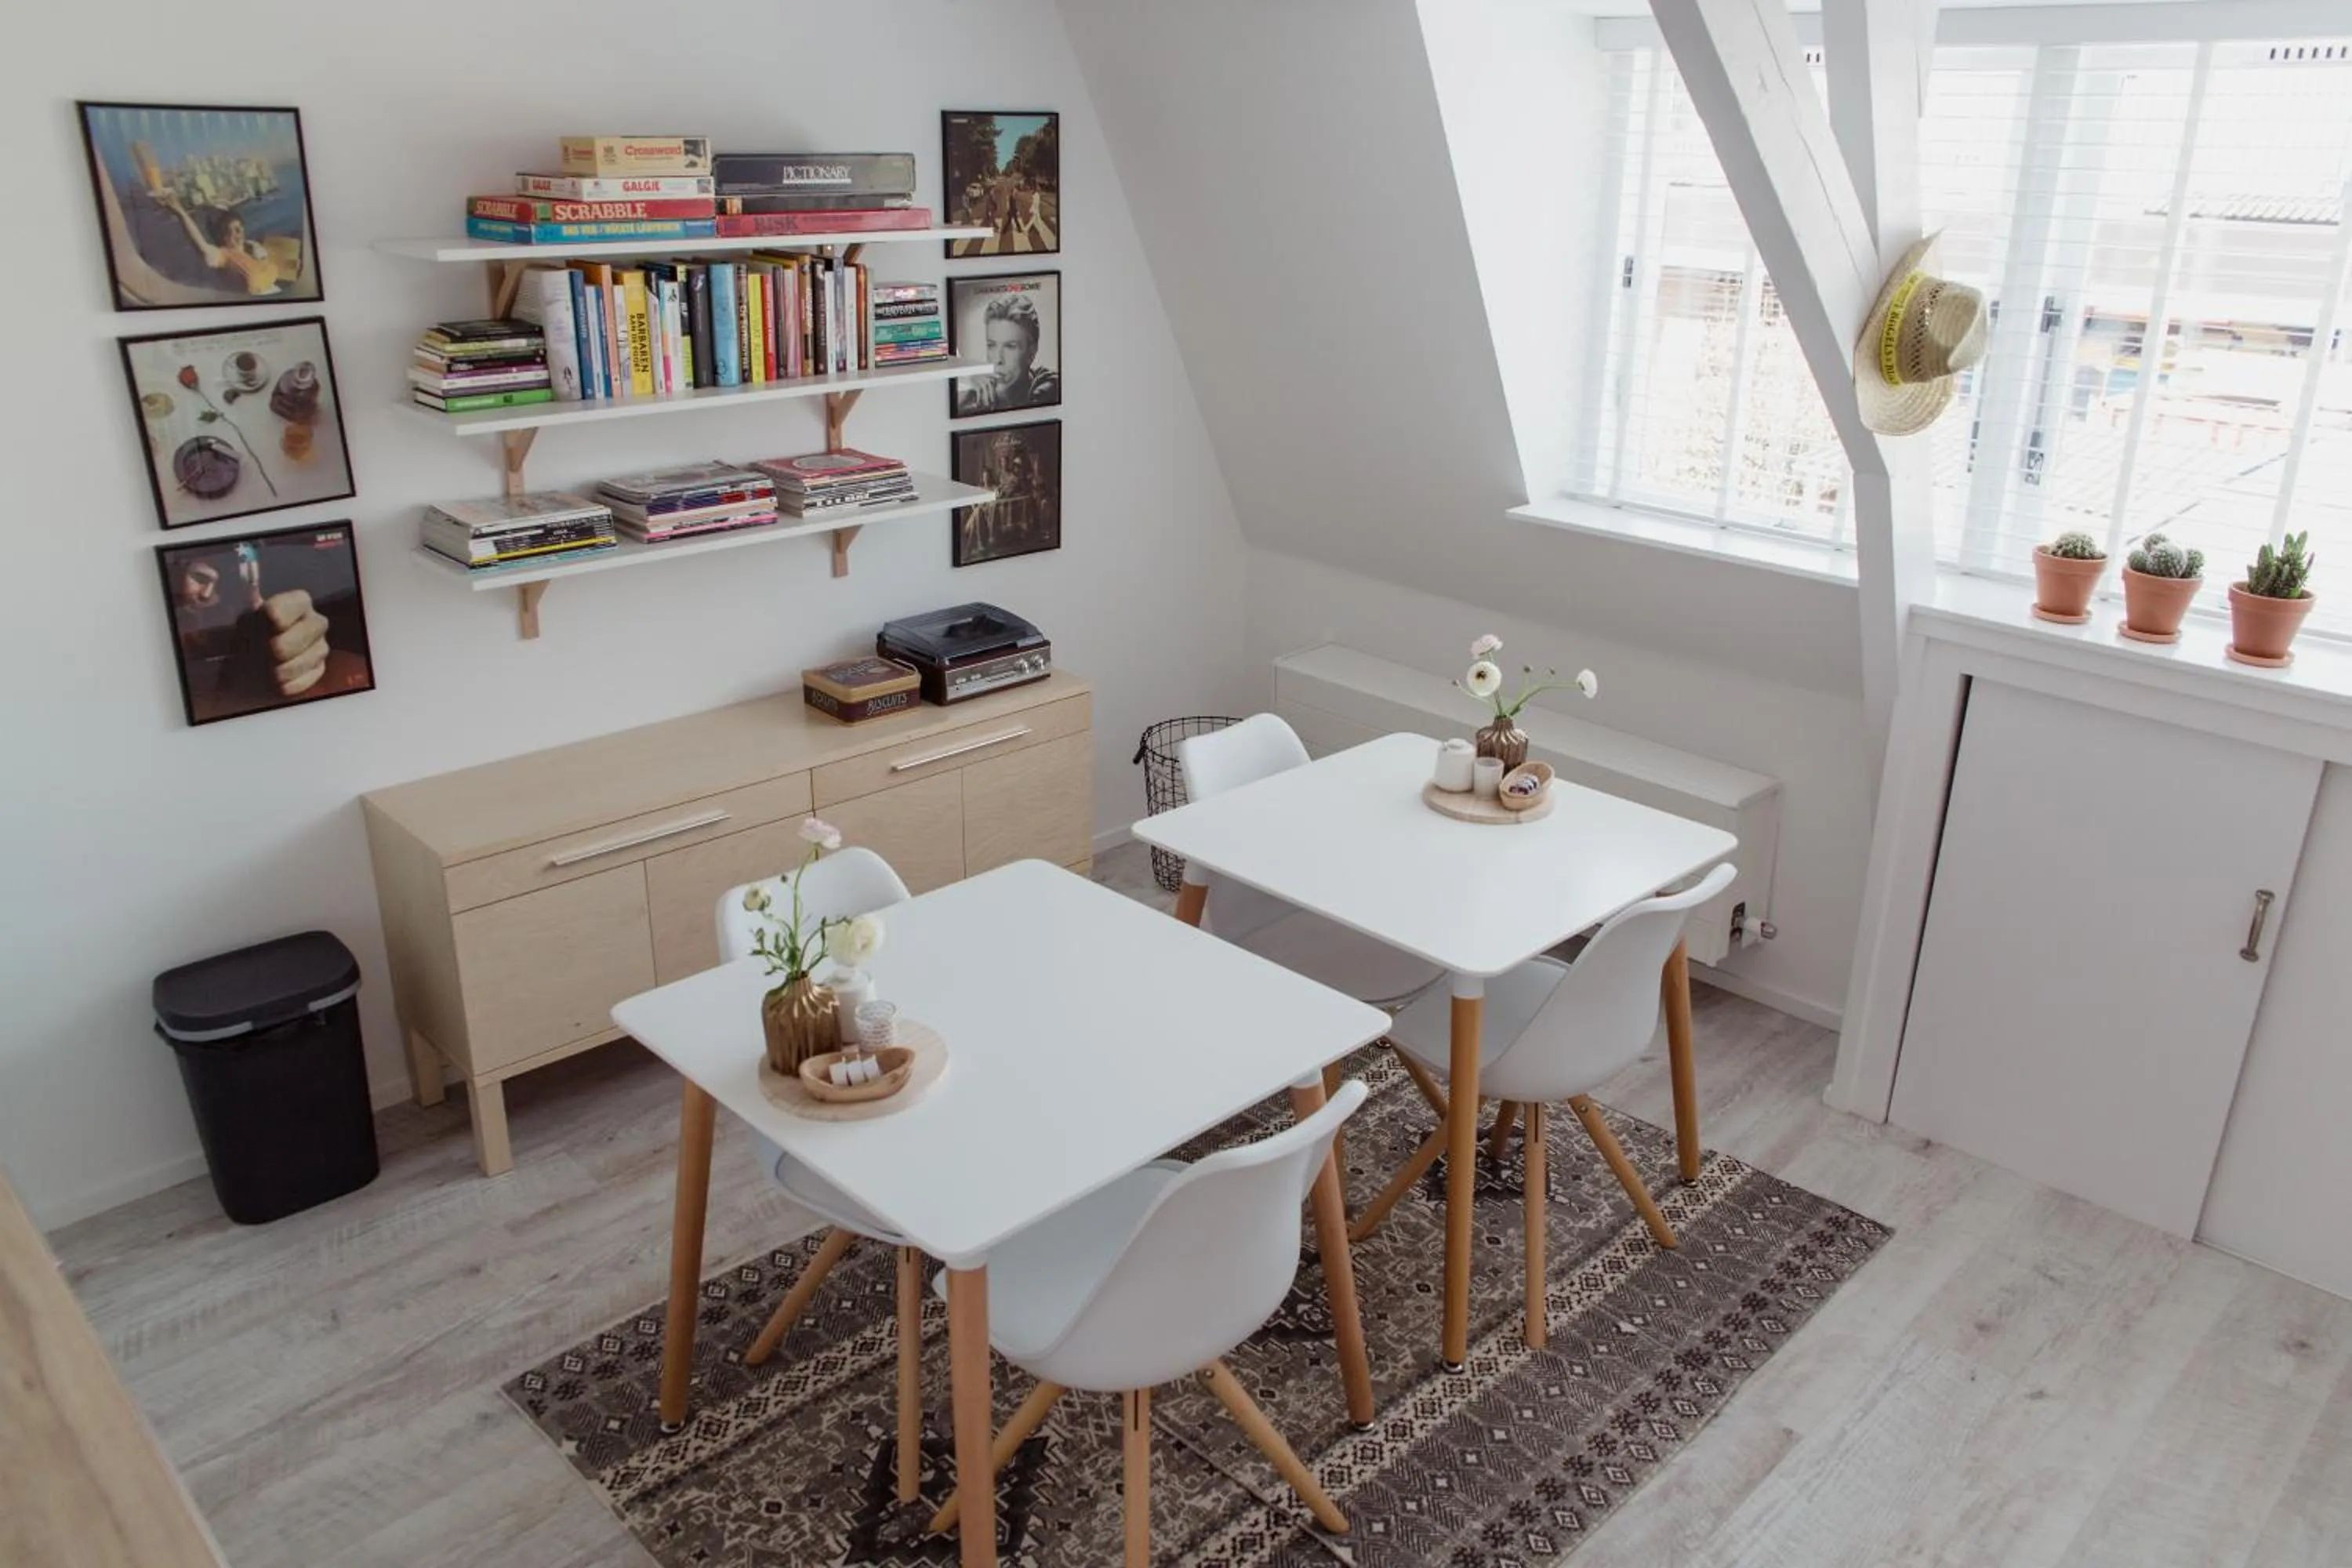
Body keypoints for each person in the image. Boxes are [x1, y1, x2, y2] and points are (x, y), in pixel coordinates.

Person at [955, 292, 1059, 416]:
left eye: (1010, 346)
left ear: (1032, 352)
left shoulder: (1049, 386)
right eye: (992, 345)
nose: (998, 359)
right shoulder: (972, 395)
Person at [159, 192, 281, 296]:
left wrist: (261, 256)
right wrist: (180, 211)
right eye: (233, 230)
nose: (239, 231)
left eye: (240, 227)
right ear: (225, 238)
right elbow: (201, 243)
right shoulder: (224, 256)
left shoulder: (254, 251)